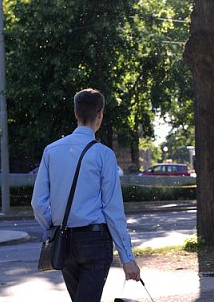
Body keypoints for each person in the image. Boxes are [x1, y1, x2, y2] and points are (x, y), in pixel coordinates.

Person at [31, 88, 140, 302]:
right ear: (100, 114)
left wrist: (52, 228)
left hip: (63, 241)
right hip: (95, 241)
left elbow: (38, 203)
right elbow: (113, 210)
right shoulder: (104, 155)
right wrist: (127, 258)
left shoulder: (51, 151)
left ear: (76, 113)